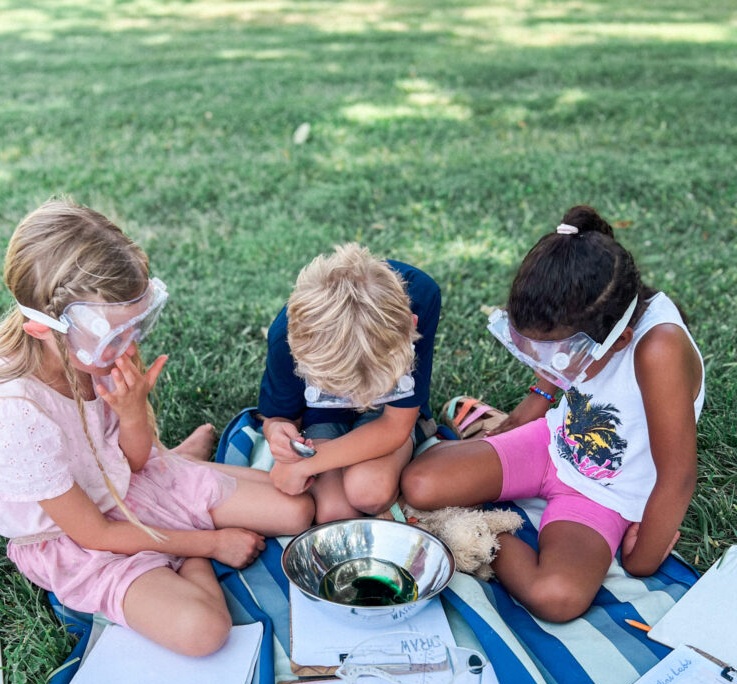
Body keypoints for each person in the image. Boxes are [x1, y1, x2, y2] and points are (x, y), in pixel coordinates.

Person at [0, 199, 313, 656]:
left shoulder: (92, 351)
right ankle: (184, 545)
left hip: (124, 482)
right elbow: (95, 534)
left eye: (135, 328)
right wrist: (209, 546)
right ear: (42, 330)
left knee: (298, 512)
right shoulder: (12, 412)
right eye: (116, 336)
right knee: (204, 632)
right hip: (75, 538)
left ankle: (178, 475)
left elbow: (130, 459)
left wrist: (133, 415)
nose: (128, 346)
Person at [401, 205, 704, 622]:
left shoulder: (658, 351)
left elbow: (678, 475)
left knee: (555, 597)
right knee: (418, 482)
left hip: (603, 495)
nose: (545, 362)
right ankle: (463, 516)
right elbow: (556, 367)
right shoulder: (593, 309)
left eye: (556, 357)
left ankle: (477, 533)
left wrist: (642, 561)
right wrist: (536, 400)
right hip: (552, 444)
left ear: (619, 342)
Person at [258, 243, 441, 522]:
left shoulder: (421, 296)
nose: (358, 398)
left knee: (368, 492)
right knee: (335, 512)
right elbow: (279, 417)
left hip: (391, 415)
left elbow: (395, 426)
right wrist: (278, 434)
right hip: (320, 417)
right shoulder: (286, 336)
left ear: (410, 324)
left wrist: (303, 467)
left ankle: (401, 508)